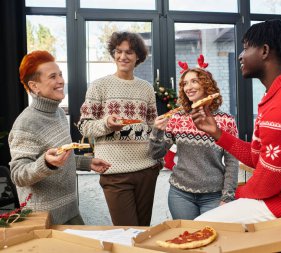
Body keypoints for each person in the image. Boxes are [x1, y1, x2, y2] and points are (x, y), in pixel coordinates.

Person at [191, 20, 281, 224]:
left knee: (203, 226)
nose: (240, 56)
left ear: (265, 51)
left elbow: (263, 188)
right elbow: (257, 157)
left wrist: (229, 195)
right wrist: (217, 133)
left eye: (246, 48)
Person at [9, 50, 111, 225]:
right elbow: (18, 175)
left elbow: (60, 156)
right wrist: (46, 163)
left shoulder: (59, 113)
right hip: (45, 219)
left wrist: (86, 163)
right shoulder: (26, 123)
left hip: (70, 211)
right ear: (34, 86)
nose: (61, 81)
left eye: (61, 75)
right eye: (53, 76)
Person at [77, 31, 161, 226]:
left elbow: (151, 127)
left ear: (138, 56)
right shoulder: (99, 86)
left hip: (146, 169)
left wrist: (159, 157)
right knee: (126, 232)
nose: (123, 57)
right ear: (113, 53)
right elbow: (84, 126)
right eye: (119, 51)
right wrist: (107, 124)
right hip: (114, 172)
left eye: (129, 52)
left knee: (142, 231)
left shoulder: (146, 88)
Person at [149, 60, 239, 220]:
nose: (188, 87)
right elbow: (156, 153)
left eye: (194, 81)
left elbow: (232, 162)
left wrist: (227, 197)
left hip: (214, 196)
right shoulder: (178, 117)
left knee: (212, 239)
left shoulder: (226, 120)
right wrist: (157, 131)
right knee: (186, 238)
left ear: (206, 85)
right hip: (180, 195)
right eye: (185, 84)